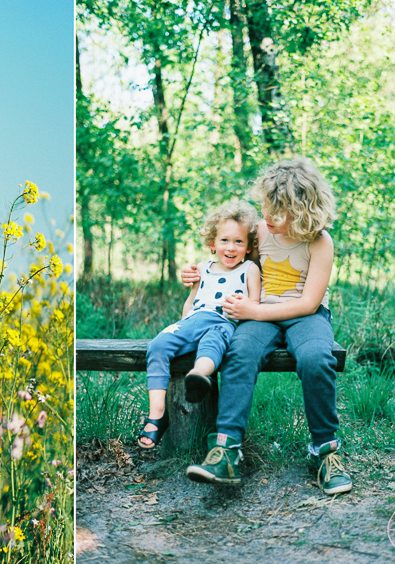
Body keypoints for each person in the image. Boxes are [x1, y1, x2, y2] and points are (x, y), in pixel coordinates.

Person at [182, 158, 351, 495]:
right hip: (258, 309)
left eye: (279, 211)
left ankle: (325, 451)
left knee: (317, 358)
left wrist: (253, 312)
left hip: (307, 316)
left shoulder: (320, 242)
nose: (269, 217)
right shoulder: (260, 232)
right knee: (240, 351)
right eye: (266, 207)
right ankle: (226, 450)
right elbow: (230, 262)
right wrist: (196, 276)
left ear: (302, 210)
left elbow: (309, 303)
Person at [138, 202, 261, 450]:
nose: (231, 247)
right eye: (224, 240)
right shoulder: (202, 269)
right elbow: (191, 303)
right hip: (193, 320)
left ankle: (198, 376)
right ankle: (157, 414)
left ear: (248, 248)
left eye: (239, 242)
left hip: (224, 321)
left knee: (212, 346)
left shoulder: (249, 269)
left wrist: (242, 307)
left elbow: (254, 305)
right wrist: (183, 326)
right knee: (158, 346)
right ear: (213, 244)